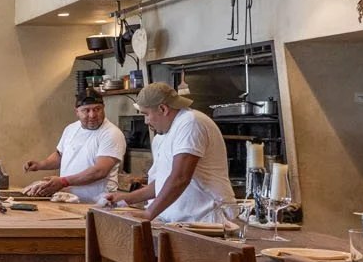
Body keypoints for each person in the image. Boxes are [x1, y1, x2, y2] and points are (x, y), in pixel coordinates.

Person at [104, 82, 235, 223]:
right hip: (176, 222)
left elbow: (180, 178)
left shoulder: (190, 122)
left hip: (206, 220)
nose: (146, 121)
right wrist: (125, 199)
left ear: (163, 109)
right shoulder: (161, 137)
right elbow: (162, 183)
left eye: (146, 114)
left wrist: (149, 214)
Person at [24, 95, 125, 202]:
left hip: (97, 203)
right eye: (86, 110)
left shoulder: (111, 133)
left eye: (97, 109)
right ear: (77, 112)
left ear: (103, 108)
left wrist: (63, 182)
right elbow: (60, 156)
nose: (92, 115)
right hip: (70, 199)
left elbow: (100, 171)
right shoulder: (71, 129)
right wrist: (40, 165)